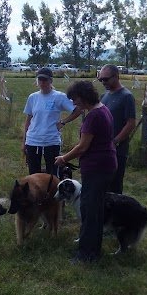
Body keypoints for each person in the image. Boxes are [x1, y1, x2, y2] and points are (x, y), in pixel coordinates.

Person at [54, 80, 117, 263]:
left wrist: (63, 158)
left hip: (97, 169)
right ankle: (92, 249)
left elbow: (82, 147)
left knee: (89, 211)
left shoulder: (94, 116)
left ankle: (87, 254)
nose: (74, 103)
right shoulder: (102, 109)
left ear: (83, 97)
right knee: (95, 210)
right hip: (104, 166)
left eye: (74, 99)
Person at [22, 67, 75, 176]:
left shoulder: (59, 97)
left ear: (51, 80)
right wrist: (24, 142)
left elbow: (78, 109)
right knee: (33, 175)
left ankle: (52, 192)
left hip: (51, 141)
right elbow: (28, 120)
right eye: (40, 79)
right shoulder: (33, 97)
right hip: (33, 141)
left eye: (45, 80)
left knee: (53, 175)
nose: (42, 82)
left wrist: (64, 122)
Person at [96, 64, 136, 194]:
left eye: (106, 79)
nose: (103, 82)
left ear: (116, 76)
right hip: (102, 150)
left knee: (115, 186)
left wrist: (115, 141)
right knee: (102, 185)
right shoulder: (104, 96)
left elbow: (130, 123)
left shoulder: (126, 96)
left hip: (117, 151)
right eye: (100, 79)